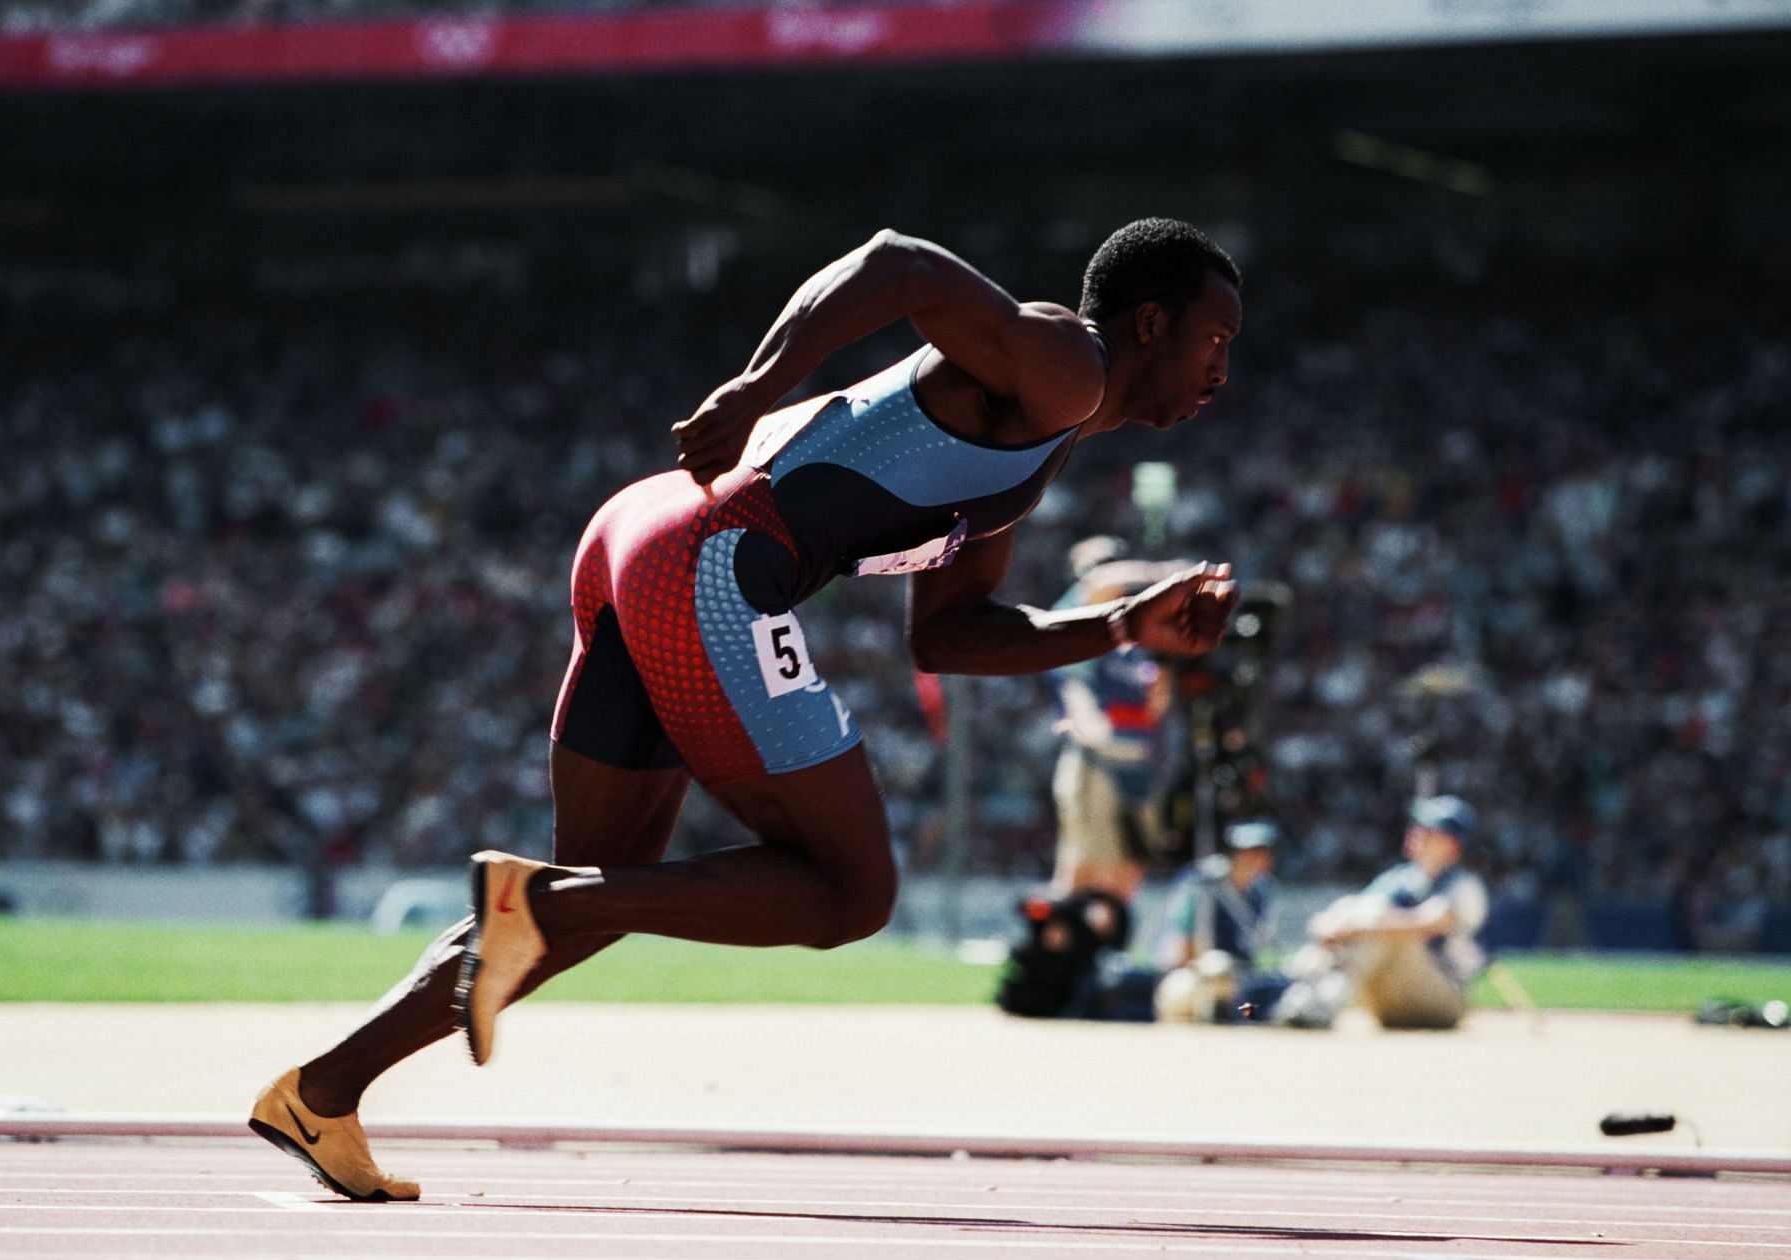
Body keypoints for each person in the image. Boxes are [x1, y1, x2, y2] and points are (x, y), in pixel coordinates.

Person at [248, 219, 1245, 1200]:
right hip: (713, 560)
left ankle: (322, 1090)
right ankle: (543, 899)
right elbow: (899, 262)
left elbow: (949, 636)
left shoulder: (1039, 444)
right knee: (851, 893)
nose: (1223, 372)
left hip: (647, 533)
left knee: (584, 901)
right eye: (1216, 340)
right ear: (1149, 324)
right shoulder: (1067, 363)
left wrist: (1124, 626)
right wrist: (757, 385)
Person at [1045, 536, 1191, 903]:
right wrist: (1170, 574)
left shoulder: (1137, 633)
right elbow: (1074, 689)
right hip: (1096, 760)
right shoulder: (1073, 614)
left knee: (1130, 865)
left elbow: (1158, 702)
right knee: (1084, 866)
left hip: (1140, 760)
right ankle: (1061, 947)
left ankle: (1108, 948)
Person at [1281, 796, 1488, 1031]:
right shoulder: (1400, 878)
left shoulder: (1463, 885)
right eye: (1416, 827)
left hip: (1440, 1002)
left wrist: (1353, 927)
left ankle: (1315, 1000)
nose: (1415, 833)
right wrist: (1330, 923)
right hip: (1389, 1000)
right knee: (1359, 911)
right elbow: (1355, 910)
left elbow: (1428, 923)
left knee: (1384, 926)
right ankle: (1299, 987)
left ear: (1451, 843)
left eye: (1427, 830)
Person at [1150, 819, 1282, 1022]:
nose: (1257, 858)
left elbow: (1261, 946)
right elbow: (1184, 945)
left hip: (1240, 976)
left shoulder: (1261, 891)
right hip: (1198, 973)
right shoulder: (1203, 884)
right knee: (1214, 969)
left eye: (1262, 852)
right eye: (1249, 851)